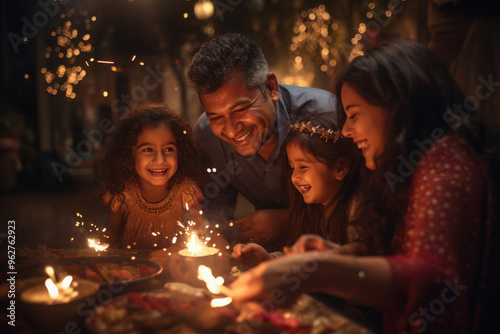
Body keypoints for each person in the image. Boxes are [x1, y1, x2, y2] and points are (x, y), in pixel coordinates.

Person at [228, 39, 498, 334]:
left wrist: (320, 272)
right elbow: (402, 248)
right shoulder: (412, 167)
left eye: (354, 115)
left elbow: (431, 278)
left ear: (398, 106)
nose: (345, 131)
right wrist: (342, 255)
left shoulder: (446, 166)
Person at [188, 33, 337, 247]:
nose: (230, 130)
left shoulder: (325, 117)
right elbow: (215, 215)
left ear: (271, 87)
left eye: (240, 109)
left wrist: (289, 220)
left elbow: (361, 206)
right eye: (216, 117)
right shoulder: (207, 135)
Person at [231, 113, 370, 268]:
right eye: (292, 168)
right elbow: (303, 258)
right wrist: (269, 260)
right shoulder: (312, 211)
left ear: (340, 168)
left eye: (303, 167)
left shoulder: (358, 211)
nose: (294, 178)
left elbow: (353, 270)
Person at [99, 104, 205, 249]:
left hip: (176, 268)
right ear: (130, 155)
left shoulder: (186, 192)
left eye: (168, 149)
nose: (160, 159)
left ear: (180, 153)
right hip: (132, 269)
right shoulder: (123, 194)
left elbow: (201, 235)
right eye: (148, 150)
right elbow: (110, 234)